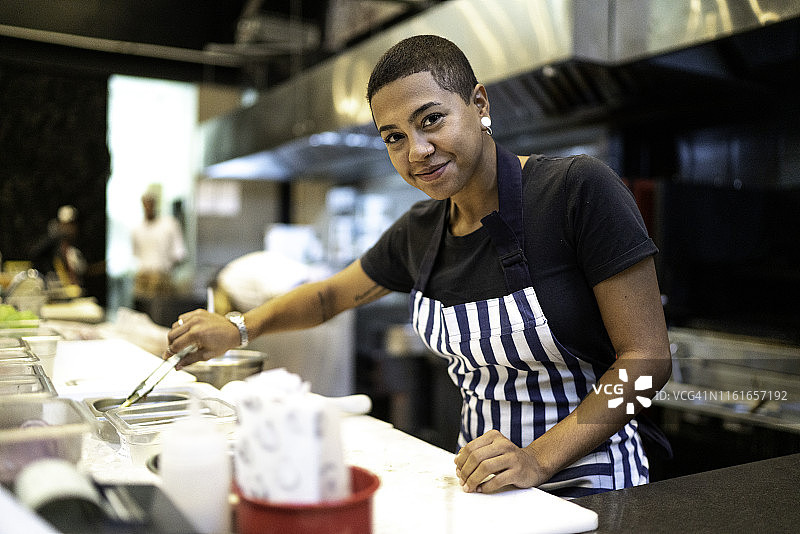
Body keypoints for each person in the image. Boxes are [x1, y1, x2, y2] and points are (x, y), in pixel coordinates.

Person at [166, 35, 671, 498]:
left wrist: (536, 460)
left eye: (430, 120)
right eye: (393, 137)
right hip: (483, 487)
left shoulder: (575, 190)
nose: (417, 152)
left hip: (597, 485)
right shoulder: (421, 231)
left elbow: (648, 361)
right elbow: (328, 296)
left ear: (479, 104)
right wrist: (237, 328)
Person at [131, 191, 186, 301]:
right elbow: (136, 254)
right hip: (143, 278)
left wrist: (166, 274)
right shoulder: (137, 230)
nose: (148, 207)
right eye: (145, 203)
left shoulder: (169, 225)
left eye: (150, 203)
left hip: (163, 278)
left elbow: (179, 253)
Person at [30, 205, 87, 292]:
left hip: (73, 291)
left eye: (72, 224)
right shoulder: (51, 245)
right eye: (66, 225)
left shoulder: (74, 248)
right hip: (55, 290)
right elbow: (34, 254)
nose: (70, 229)